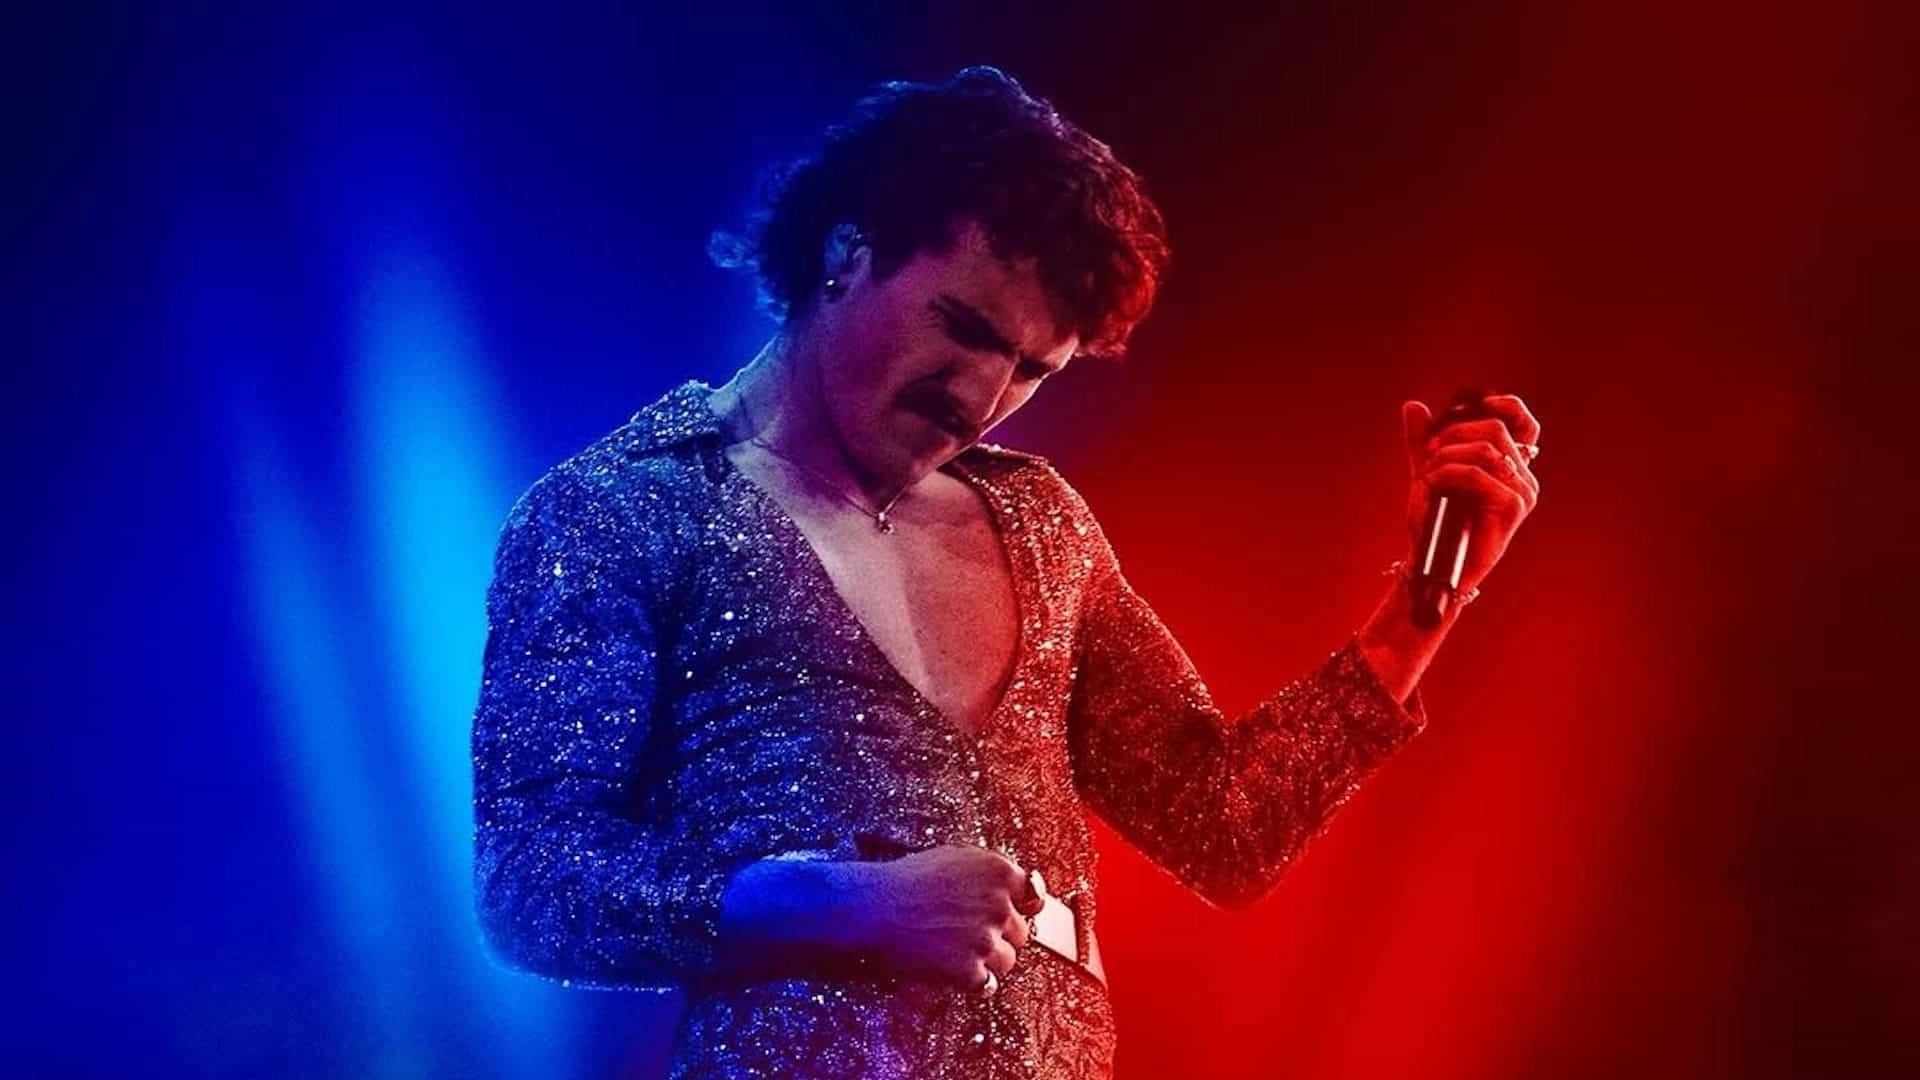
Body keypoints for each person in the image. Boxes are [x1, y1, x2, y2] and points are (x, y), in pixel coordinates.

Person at [470, 66, 1542, 1080]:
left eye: (1032, 369)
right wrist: (844, 905)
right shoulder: (626, 510)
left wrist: (1422, 605)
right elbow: (530, 883)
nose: (981, 397)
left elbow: (1224, 829)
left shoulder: (1041, 523)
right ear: (847, 253)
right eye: (965, 328)